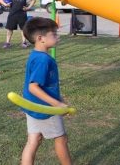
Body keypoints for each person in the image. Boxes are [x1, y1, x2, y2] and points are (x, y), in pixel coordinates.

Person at [20, 17, 72, 165]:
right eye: (54, 34)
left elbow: (45, 86)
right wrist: (56, 104)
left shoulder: (36, 55)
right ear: (40, 38)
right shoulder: (43, 60)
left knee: (33, 140)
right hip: (45, 109)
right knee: (61, 139)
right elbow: (33, 87)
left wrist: (61, 101)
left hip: (32, 106)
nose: (58, 36)